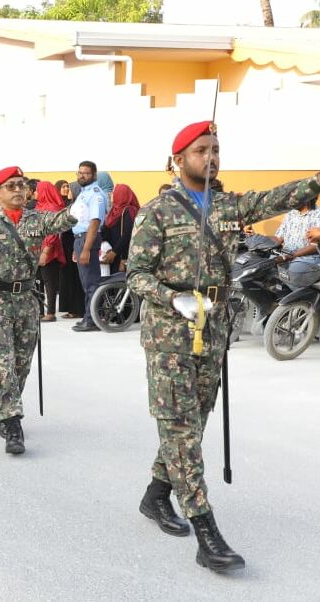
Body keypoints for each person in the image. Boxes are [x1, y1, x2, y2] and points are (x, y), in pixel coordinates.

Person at [127, 120, 320, 573]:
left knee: (193, 421)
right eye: (201, 150)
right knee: (179, 425)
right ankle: (205, 528)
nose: (211, 157)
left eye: (215, 149)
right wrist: (171, 297)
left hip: (213, 329)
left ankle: (156, 495)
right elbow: (136, 274)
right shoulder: (157, 212)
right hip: (170, 333)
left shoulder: (230, 206)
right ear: (178, 159)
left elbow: (278, 197)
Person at [0, 166, 77, 455]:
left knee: (22, 363)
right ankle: (13, 424)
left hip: (26, 298)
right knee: (3, 360)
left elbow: (62, 219)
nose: (17, 190)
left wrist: (80, 205)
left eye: (21, 185)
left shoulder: (36, 219)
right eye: (11, 186)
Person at [70, 161, 107, 331]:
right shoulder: (83, 192)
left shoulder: (95, 194)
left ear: (94, 175)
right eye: (80, 172)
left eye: (86, 173)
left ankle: (92, 320)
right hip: (80, 238)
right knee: (86, 283)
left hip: (88, 239)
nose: (82, 175)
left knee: (91, 282)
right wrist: (77, 248)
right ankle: (88, 315)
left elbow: (94, 222)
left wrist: (85, 248)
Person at [34, 182, 67, 321]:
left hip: (50, 250)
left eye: (37, 190)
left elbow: (53, 232)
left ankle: (51, 312)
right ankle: (40, 311)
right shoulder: (38, 207)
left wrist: (46, 251)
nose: (35, 193)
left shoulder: (53, 208)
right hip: (37, 248)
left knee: (49, 282)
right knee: (38, 281)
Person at [54, 179, 84, 319]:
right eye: (64, 187)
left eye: (69, 188)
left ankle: (77, 309)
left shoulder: (77, 207)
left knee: (75, 278)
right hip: (67, 245)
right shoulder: (71, 205)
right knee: (69, 277)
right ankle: (72, 308)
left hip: (73, 244)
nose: (67, 190)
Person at [100, 184, 140, 273]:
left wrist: (114, 252)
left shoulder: (129, 211)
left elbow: (127, 234)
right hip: (113, 255)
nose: (112, 195)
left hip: (123, 255)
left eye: (115, 193)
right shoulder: (113, 211)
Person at [272, 194, 320, 264]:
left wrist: (290, 256)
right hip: (285, 255)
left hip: (307, 259)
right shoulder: (290, 214)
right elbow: (279, 238)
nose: (290, 200)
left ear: (307, 198)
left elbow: (315, 246)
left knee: (293, 268)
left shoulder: (318, 215)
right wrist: (260, 240)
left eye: (294, 197)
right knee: (264, 263)